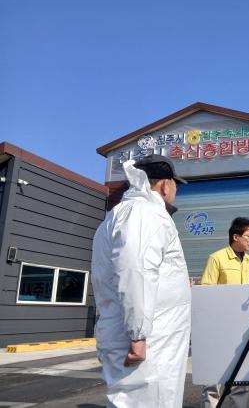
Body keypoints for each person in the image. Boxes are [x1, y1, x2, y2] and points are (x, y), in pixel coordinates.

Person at [91, 155, 192, 408]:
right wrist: (138, 335)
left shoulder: (124, 214)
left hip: (144, 336)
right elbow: (135, 268)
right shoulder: (145, 213)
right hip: (149, 341)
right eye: (175, 185)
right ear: (165, 185)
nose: (176, 191)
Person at [199, 217, 249, 408]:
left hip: (243, 329)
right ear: (236, 236)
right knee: (214, 378)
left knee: (240, 379)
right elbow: (206, 293)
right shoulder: (216, 258)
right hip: (218, 328)